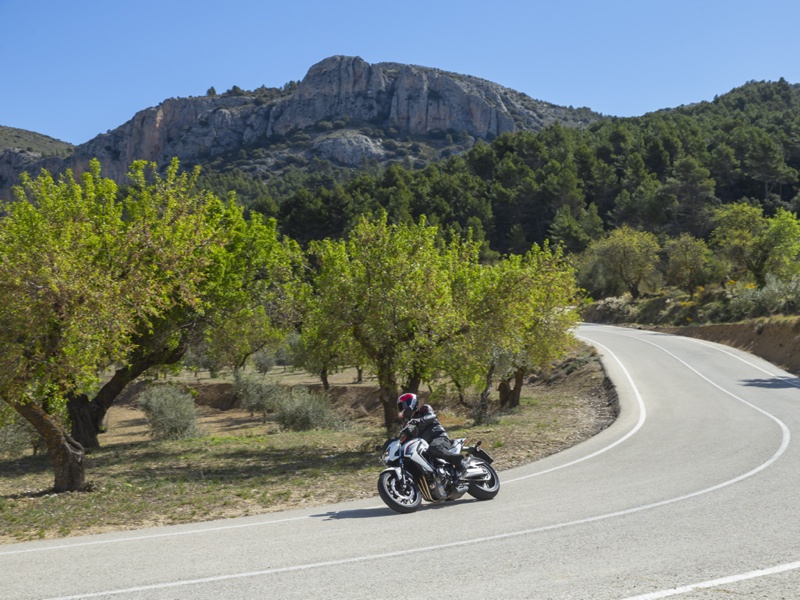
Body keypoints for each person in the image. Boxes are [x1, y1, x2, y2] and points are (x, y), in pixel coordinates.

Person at [397, 392, 468, 477]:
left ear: (412, 402)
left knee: (435, 448)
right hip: (425, 446)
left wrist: (419, 420)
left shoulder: (424, 409)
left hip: (439, 437)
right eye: (400, 406)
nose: (402, 408)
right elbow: (405, 438)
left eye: (403, 405)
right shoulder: (408, 424)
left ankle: (459, 462)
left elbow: (432, 416)